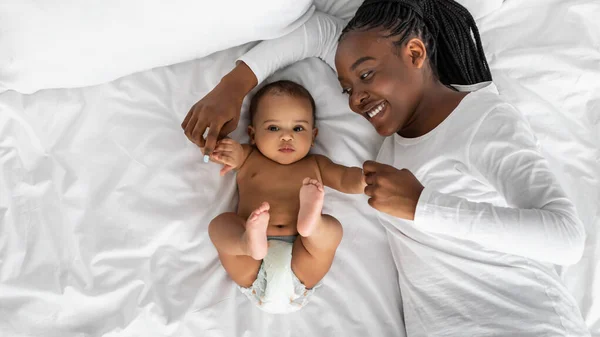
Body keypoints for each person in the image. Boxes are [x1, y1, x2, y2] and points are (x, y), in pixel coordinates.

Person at [183, 0, 589, 335]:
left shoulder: (484, 119)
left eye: (365, 76)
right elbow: (319, 32)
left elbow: (566, 239)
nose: (355, 98)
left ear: (415, 53)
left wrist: (420, 205)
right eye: (347, 88)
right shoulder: (397, 130)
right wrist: (233, 87)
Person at [207, 80, 365, 314]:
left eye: (298, 129)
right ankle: (246, 241)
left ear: (313, 136)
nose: (286, 137)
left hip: (301, 258)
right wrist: (227, 152)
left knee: (331, 232)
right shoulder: (249, 157)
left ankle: (313, 226)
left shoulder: (316, 164)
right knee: (220, 225)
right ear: (252, 134)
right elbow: (234, 153)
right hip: (252, 262)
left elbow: (344, 178)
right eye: (273, 128)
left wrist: (365, 179)